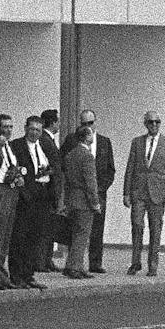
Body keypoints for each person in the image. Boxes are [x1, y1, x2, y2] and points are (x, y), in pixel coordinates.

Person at [6, 116, 57, 291]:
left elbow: (55, 166)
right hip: (25, 196)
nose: (35, 133)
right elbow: (13, 170)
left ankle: (28, 274)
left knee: (35, 237)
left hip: (42, 195)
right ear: (26, 128)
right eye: (32, 129)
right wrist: (23, 192)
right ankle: (16, 275)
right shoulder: (17, 146)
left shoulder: (44, 146)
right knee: (20, 236)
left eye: (38, 130)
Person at [125, 112, 165, 275]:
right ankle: (135, 262)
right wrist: (126, 192)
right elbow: (130, 168)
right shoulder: (137, 142)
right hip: (139, 191)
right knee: (137, 224)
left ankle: (152, 265)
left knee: (155, 228)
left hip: (158, 192)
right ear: (145, 124)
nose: (154, 125)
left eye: (157, 122)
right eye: (151, 122)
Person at [58, 116, 101, 280]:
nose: (92, 137)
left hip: (72, 199)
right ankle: (75, 267)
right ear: (86, 137)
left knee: (74, 234)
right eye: (90, 134)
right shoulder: (87, 156)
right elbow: (91, 182)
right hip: (83, 200)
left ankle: (72, 265)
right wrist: (95, 203)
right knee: (82, 235)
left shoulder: (70, 155)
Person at [81, 108, 117, 274]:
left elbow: (111, 169)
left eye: (90, 122)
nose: (88, 126)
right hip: (81, 193)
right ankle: (76, 264)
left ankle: (95, 263)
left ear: (96, 122)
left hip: (99, 192)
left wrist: (101, 188)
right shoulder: (74, 141)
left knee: (97, 228)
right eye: (84, 123)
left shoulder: (104, 142)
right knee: (79, 228)